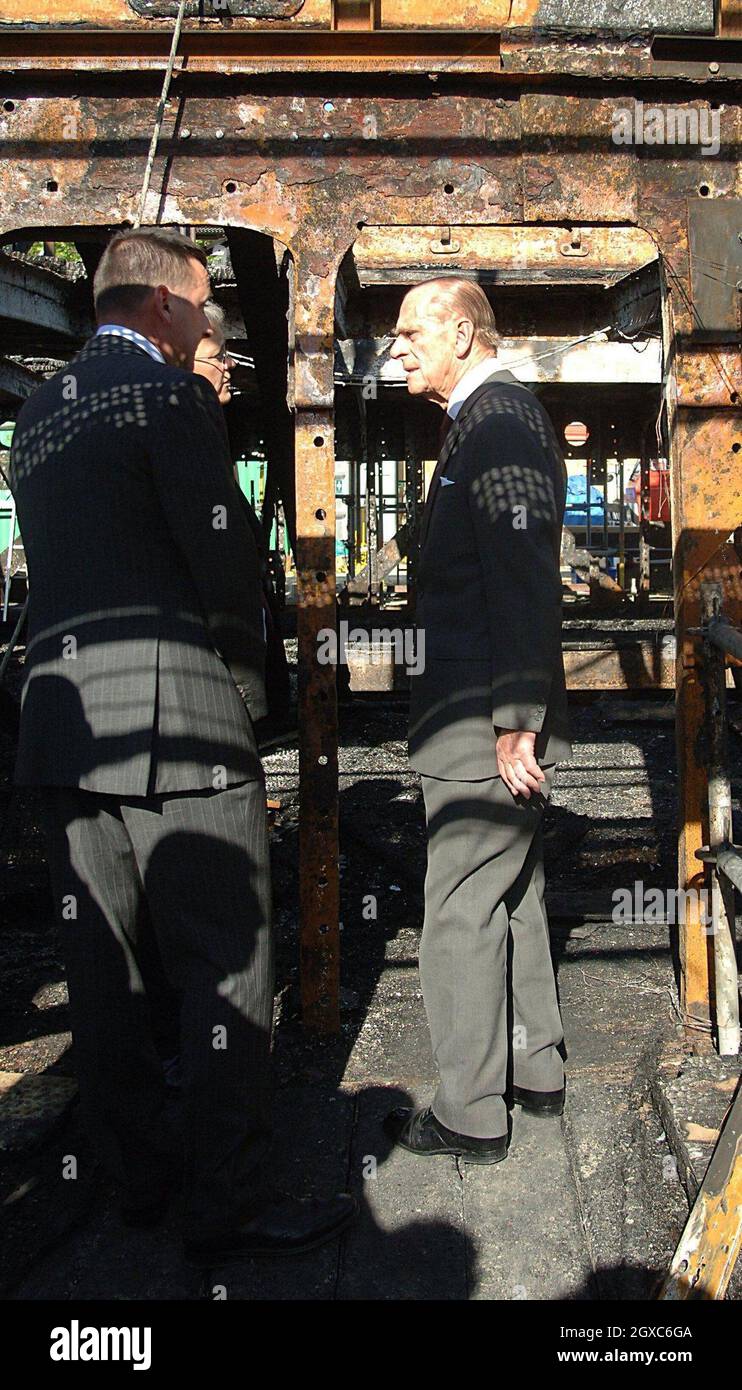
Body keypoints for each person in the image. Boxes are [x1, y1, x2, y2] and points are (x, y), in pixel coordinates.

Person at [10, 227, 354, 1261]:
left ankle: (135, 1181)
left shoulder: (35, 411)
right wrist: (250, 693)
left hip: (64, 724)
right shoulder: (169, 397)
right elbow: (220, 560)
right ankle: (231, 1200)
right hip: (175, 724)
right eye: (203, 308)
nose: (208, 326)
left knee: (105, 970)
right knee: (224, 962)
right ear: (162, 306)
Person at [384, 277, 572, 1164]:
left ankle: (467, 1113)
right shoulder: (489, 421)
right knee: (514, 890)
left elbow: (524, 574)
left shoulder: (496, 422)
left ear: (462, 330)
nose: (398, 348)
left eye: (410, 331)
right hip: (483, 713)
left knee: (459, 905)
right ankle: (535, 1071)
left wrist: (514, 719)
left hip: (478, 722)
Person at [193, 302, 291, 731]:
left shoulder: (209, 432)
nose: (230, 364)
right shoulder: (183, 441)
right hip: (210, 678)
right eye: (219, 355)